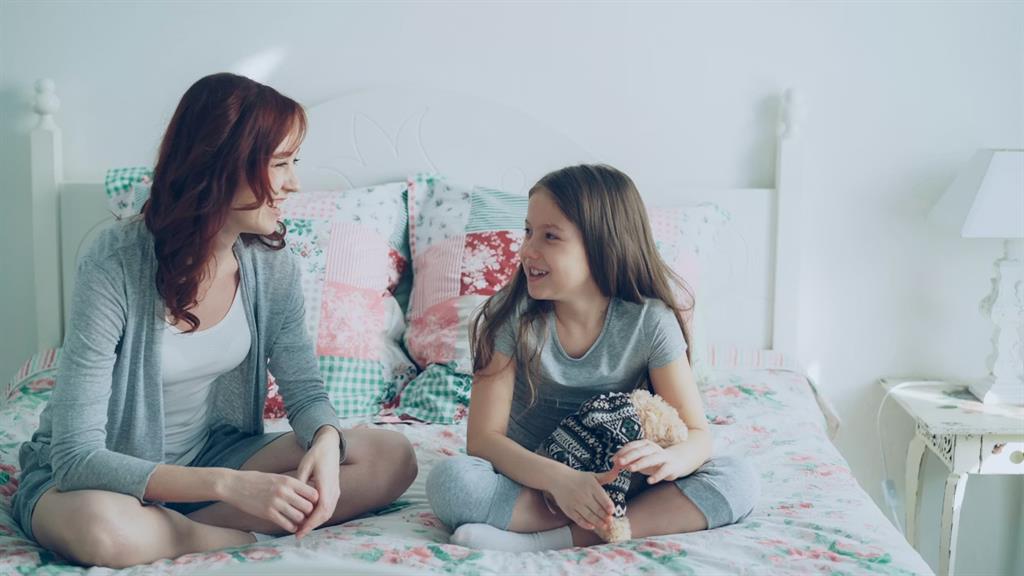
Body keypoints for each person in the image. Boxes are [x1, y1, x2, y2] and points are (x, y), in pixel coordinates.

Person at [12, 73, 417, 568]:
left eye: (294, 163)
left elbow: (306, 392)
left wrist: (327, 441)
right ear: (222, 165)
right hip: (103, 478)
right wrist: (230, 486)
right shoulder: (114, 261)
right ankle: (230, 534)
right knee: (100, 529)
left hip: (211, 453)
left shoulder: (271, 263)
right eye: (280, 164)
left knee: (391, 457)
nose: (293, 183)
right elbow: (77, 457)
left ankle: (173, 531)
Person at [426, 164, 759, 551]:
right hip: (536, 480)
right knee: (452, 482)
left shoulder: (650, 321)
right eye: (528, 231)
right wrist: (559, 480)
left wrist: (671, 460)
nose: (526, 250)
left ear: (604, 245)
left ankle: (548, 541)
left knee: (738, 479)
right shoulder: (510, 317)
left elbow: (698, 435)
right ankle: (590, 524)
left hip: (625, 485)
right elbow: (484, 440)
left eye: (550, 236)